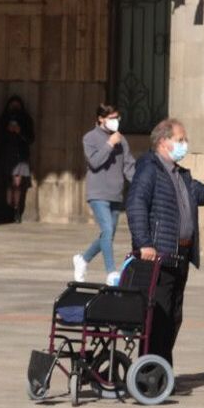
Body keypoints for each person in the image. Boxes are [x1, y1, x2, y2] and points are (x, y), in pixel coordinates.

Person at [126, 118, 204, 366]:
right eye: (180, 140)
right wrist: (144, 243)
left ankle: (162, 370)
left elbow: (201, 195)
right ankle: (149, 371)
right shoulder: (149, 169)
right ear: (163, 141)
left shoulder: (180, 174)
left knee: (173, 316)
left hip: (180, 255)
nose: (184, 144)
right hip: (159, 256)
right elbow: (136, 205)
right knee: (158, 316)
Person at [74, 103, 135, 286]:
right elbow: (94, 162)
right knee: (107, 230)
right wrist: (109, 144)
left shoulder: (121, 140)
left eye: (117, 118)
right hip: (98, 192)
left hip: (115, 193)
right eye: (111, 118)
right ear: (101, 119)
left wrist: (140, 184)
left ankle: (83, 260)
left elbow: (129, 165)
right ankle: (111, 273)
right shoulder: (90, 138)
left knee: (107, 235)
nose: (115, 122)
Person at [0, 94, 35, 222]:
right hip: (7, 153)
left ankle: (16, 210)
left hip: (20, 155)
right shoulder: (3, 119)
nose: (14, 108)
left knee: (17, 184)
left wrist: (19, 131)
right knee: (8, 184)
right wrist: (7, 130)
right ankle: (8, 210)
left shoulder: (26, 119)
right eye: (12, 105)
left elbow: (30, 138)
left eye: (17, 105)